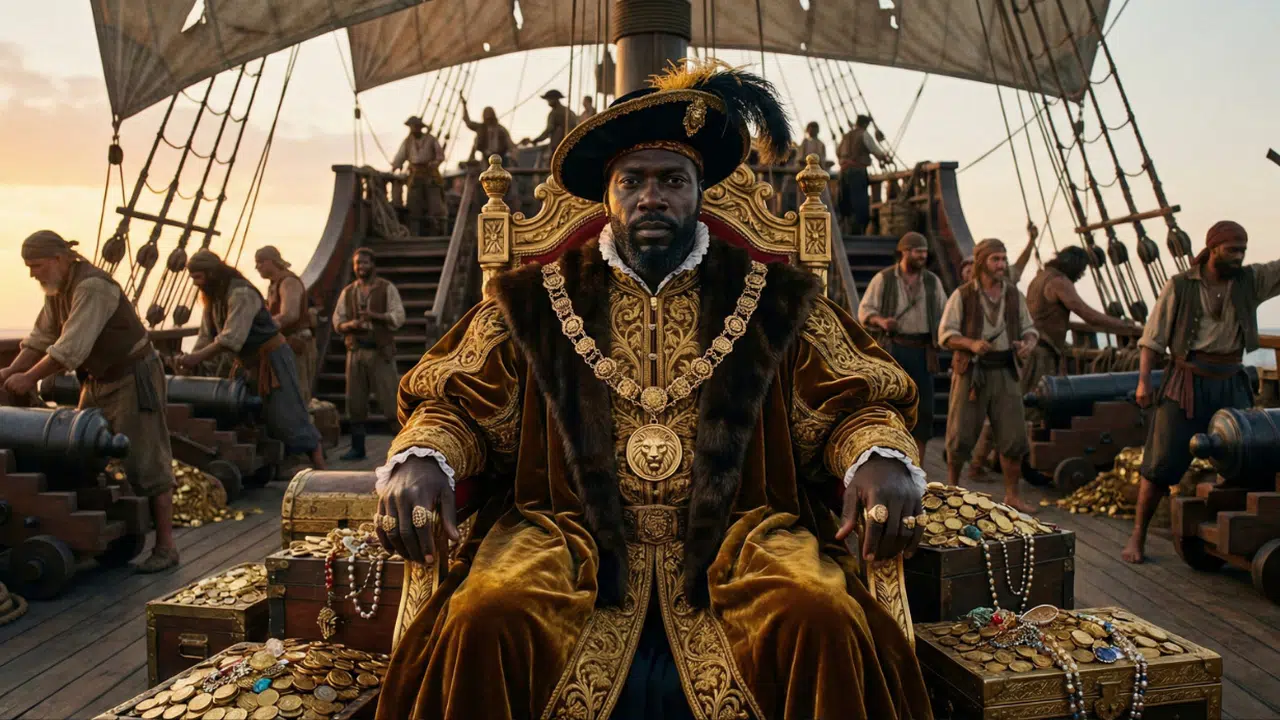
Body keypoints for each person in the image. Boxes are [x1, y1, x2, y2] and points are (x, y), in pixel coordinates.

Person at [372, 61, 930, 720]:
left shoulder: (775, 299)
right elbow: (456, 404)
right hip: (563, 540)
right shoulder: (532, 302)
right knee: (483, 614)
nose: (652, 197)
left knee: (823, 612)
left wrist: (877, 456)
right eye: (632, 181)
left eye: (672, 180)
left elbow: (855, 402)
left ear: (700, 192)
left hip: (743, 540)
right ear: (607, 197)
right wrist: (424, 457)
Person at [3, 231, 179, 572]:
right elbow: (41, 338)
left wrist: (28, 377)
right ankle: (92, 528)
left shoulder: (92, 287)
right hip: (97, 379)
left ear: (58, 259)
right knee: (77, 448)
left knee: (147, 460)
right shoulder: (58, 289)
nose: (32, 274)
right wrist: (11, 370)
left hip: (131, 376)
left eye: (36, 266)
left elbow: (69, 349)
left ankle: (166, 547)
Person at [1124, 221, 1280, 563]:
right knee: (1160, 464)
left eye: (1243, 251)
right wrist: (1143, 382)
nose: (1239, 257)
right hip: (1186, 383)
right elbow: (1152, 339)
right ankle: (1138, 536)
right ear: (1212, 249)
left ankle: (1236, 534)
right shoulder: (1180, 285)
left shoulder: (1250, 280)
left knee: (1247, 456)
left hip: (1231, 381)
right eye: (1232, 250)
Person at [176, 249, 325, 470]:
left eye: (198, 277)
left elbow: (231, 338)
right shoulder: (214, 297)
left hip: (272, 358)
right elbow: (206, 335)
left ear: (212, 273)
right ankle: (273, 463)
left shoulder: (241, 293)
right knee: (251, 412)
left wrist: (196, 356)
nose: (195, 283)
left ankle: (319, 464)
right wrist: (191, 361)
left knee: (288, 413)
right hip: (248, 362)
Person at [939, 238, 1039, 513]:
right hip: (972, 372)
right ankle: (952, 491)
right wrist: (970, 344)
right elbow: (945, 334)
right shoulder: (962, 295)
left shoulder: (1014, 295)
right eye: (996, 259)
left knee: (1013, 435)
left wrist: (1027, 344)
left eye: (1004, 259)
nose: (1001, 265)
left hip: (1005, 369)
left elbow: (1030, 329)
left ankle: (1012, 496)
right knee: (959, 434)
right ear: (982, 262)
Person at [860, 231, 946, 459]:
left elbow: (944, 313)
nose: (923, 256)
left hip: (923, 353)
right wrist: (881, 321)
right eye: (918, 252)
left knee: (923, 413)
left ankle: (917, 466)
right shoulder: (884, 279)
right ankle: (891, 462)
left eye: (925, 252)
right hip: (893, 351)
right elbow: (865, 311)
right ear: (904, 252)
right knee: (891, 407)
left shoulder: (932, 282)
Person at [332, 248, 405, 461]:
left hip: (380, 352)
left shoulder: (386, 288)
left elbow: (398, 317)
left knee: (390, 402)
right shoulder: (348, 292)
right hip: (355, 351)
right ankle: (357, 447)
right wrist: (350, 325)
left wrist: (376, 316)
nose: (360, 267)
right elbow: (337, 321)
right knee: (355, 402)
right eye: (357, 263)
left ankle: (404, 448)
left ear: (372, 264)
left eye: (364, 263)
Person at [255, 245, 316, 404]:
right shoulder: (274, 284)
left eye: (260, 262)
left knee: (297, 391)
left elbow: (289, 315)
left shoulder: (288, 282)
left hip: (295, 342)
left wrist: (262, 329)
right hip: (281, 344)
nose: (257, 267)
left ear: (272, 261)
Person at [837, 114, 891, 234]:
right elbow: (875, 150)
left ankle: (845, 231)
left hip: (843, 172)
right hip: (857, 172)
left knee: (845, 203)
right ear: (866, 124)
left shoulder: (846, 136)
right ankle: (858, 232)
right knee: (859, 203)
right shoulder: (863, 134)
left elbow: (838, 152)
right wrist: (885, 158)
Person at [392, 116, 446, 235]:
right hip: (415, 176)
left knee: (435, 204)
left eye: (415, 127)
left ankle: (437, 232)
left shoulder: (431, 139)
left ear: (420, 128)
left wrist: (434, 163)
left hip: (430, 175)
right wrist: (395, 165)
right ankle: (414, 233)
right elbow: (400, 156)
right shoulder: (408, 141)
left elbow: (440, 156)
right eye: (412, 127)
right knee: (414, 205)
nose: (413, 129)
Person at [521, 90, 577, 166]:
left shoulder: (554, 113)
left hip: (558, 146)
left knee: (552, 165)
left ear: (555, 99)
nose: (548, 102)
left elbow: (549, 130)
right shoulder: (569, 111)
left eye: (549, 99)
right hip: (572, 145)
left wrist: (536, 140)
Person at [459, 95, 515, 165]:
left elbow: (510, 144)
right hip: (486, 158)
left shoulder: (501, 130)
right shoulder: (481, 128)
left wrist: (513, 153)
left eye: (490, 117)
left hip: (500, 158)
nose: (489, 120)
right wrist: (464, 105)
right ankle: (471, 158)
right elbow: (468, 122)